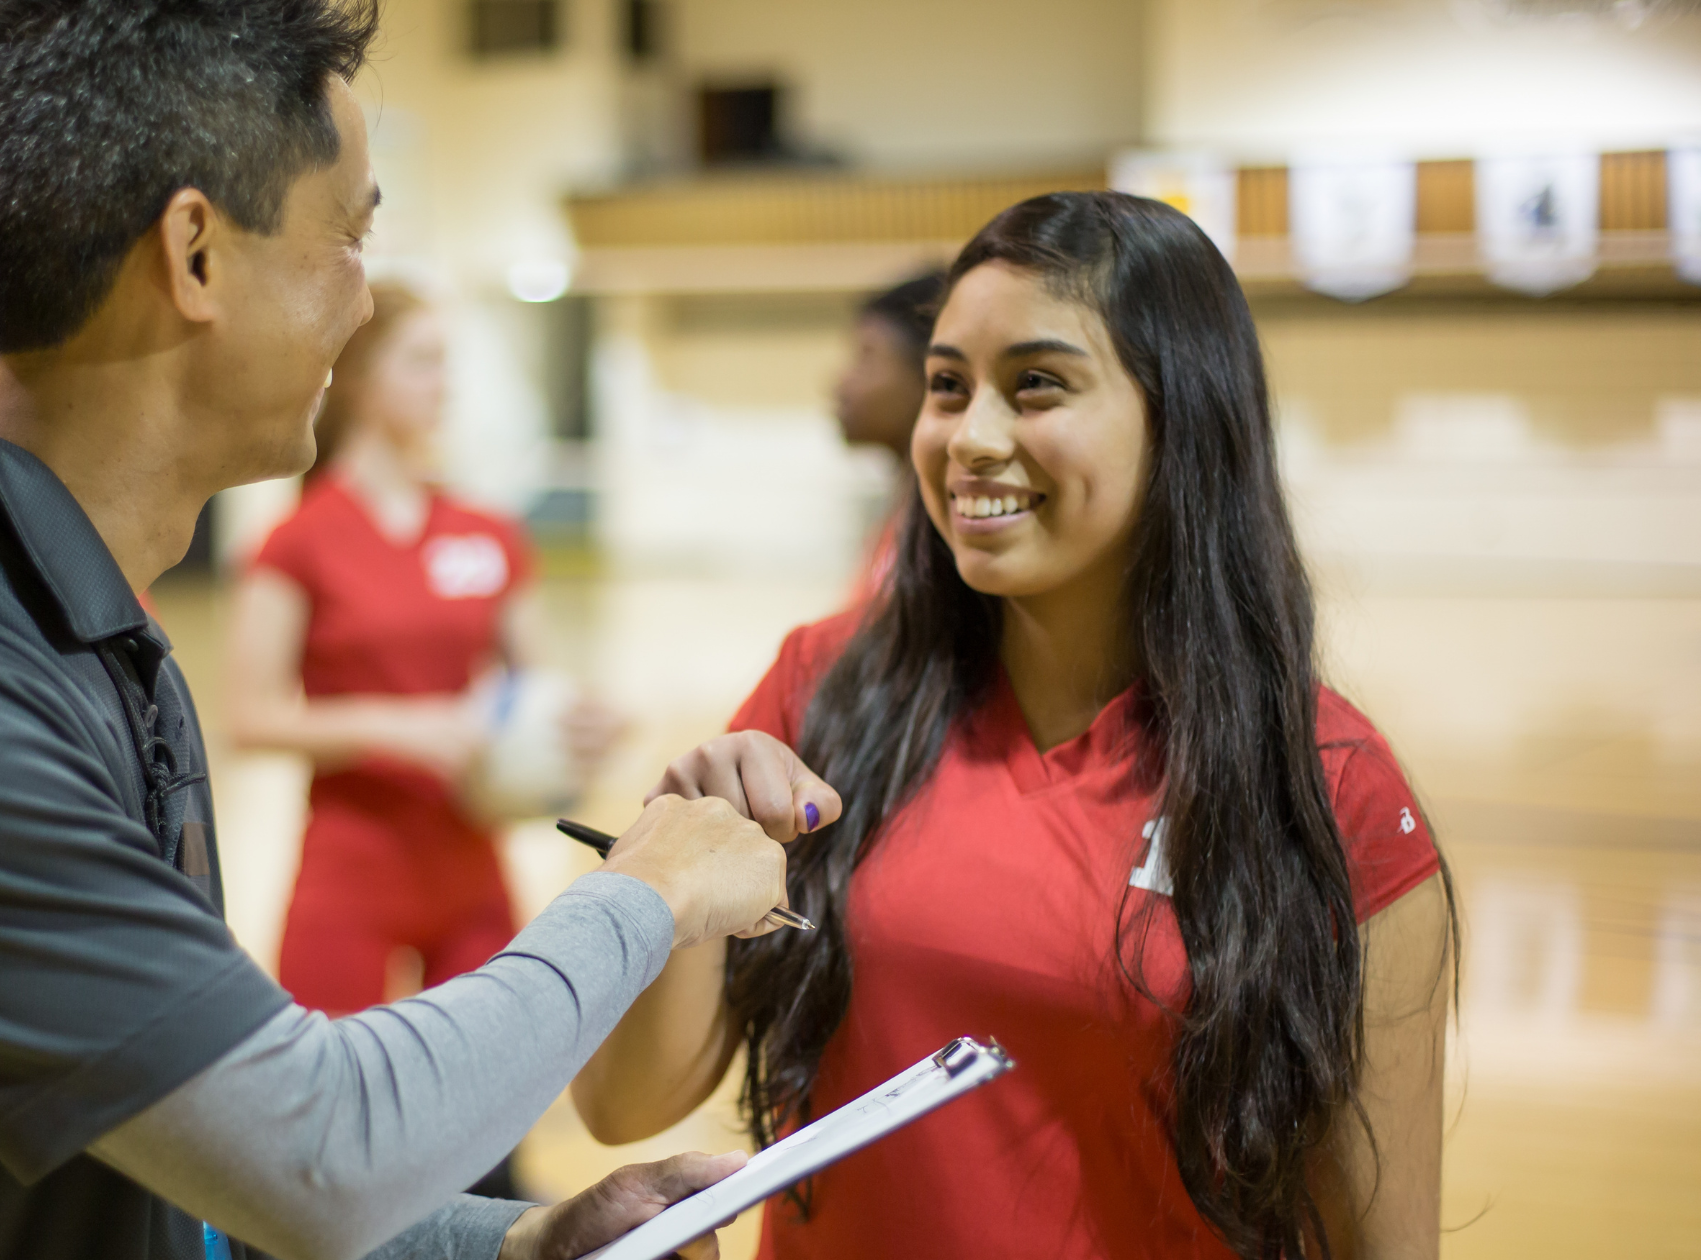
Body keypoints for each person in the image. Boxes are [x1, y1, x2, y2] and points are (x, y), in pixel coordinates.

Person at [0, 4, 797, 1259]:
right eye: (347, 238)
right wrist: (647, 891)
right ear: (196, 256)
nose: (362, 306)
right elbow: (318, 1153)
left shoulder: (92, 638)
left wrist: (511, 1244)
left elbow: (180, 1182)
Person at [572, 192, 1456, 1259]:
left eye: (1036, 385)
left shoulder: (1326, 785)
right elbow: (623, 1104)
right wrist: (672, 861)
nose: (970, 438)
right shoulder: (826, 688)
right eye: (947, 386)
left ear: (1182, 415)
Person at [228, 281, 619, 1021]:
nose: (446, 385)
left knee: (495, 1088)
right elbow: (249, 718)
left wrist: (582, 725)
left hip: (472, 871)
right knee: (329, 1087)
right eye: (423, 362)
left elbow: (535, 688)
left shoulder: (488, 532)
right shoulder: (296, 542)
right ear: (360, 376)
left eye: (447, 364)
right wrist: (400, 728)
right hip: (350, 870)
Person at [831, 272, 941, 600]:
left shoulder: (939, 541)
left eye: (867, 356)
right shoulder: (900, 516)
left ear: (928, 374)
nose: (841, 384)